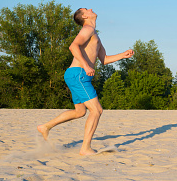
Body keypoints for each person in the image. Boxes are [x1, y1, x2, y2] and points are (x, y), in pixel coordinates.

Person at [38, 8, 134, 155]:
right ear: (84, 16)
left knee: (80, 112)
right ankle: (85, 148)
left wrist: (123, 55)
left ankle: (46, 127)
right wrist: (86, 65)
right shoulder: (87, 29)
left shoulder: (95, 34)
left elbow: (104, 59)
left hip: (77, 75)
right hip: (78, 74)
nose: (90, 9)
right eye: (86, 9)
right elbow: (73, 46)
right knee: (97, 110)